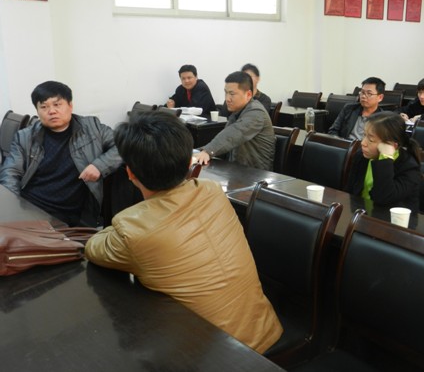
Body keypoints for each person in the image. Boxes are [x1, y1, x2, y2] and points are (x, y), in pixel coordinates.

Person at [84, 111, 283, 353]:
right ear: (189, 161)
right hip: (263, 330)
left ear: (130, 173)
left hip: (215, 357)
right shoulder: (212, 190)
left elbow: (93, 248)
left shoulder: (133, 229)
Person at [0, 81, 122, 227]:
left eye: (57, 104)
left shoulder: (93, 128)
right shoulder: (25, 137)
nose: (51, 111)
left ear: (70, 106)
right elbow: (10, 173)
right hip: (32, 207)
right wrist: (13, 211)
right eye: (44, 107)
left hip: (71, 213)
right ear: (37, 111)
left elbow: (123, 146)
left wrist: (99, 166)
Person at [195, 71, 275, 170]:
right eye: (226, 93)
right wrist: (197, 152)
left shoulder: (256, 113)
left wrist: (207, 151)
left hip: (256, 174)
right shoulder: (237, 111)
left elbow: (233, 134)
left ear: (248, 94)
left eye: (232, 94)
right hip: (236, 169)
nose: (227, 99)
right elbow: (224, 144)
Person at [345, 112, 422, 213]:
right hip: (361, 212)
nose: (363, 143)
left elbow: (383, 198)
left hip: (390, 219)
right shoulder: (361, 156)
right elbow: (350, 192)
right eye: (364, 135)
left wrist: (385, 158)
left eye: (371, 140)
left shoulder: (409, 167)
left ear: (392, 145)